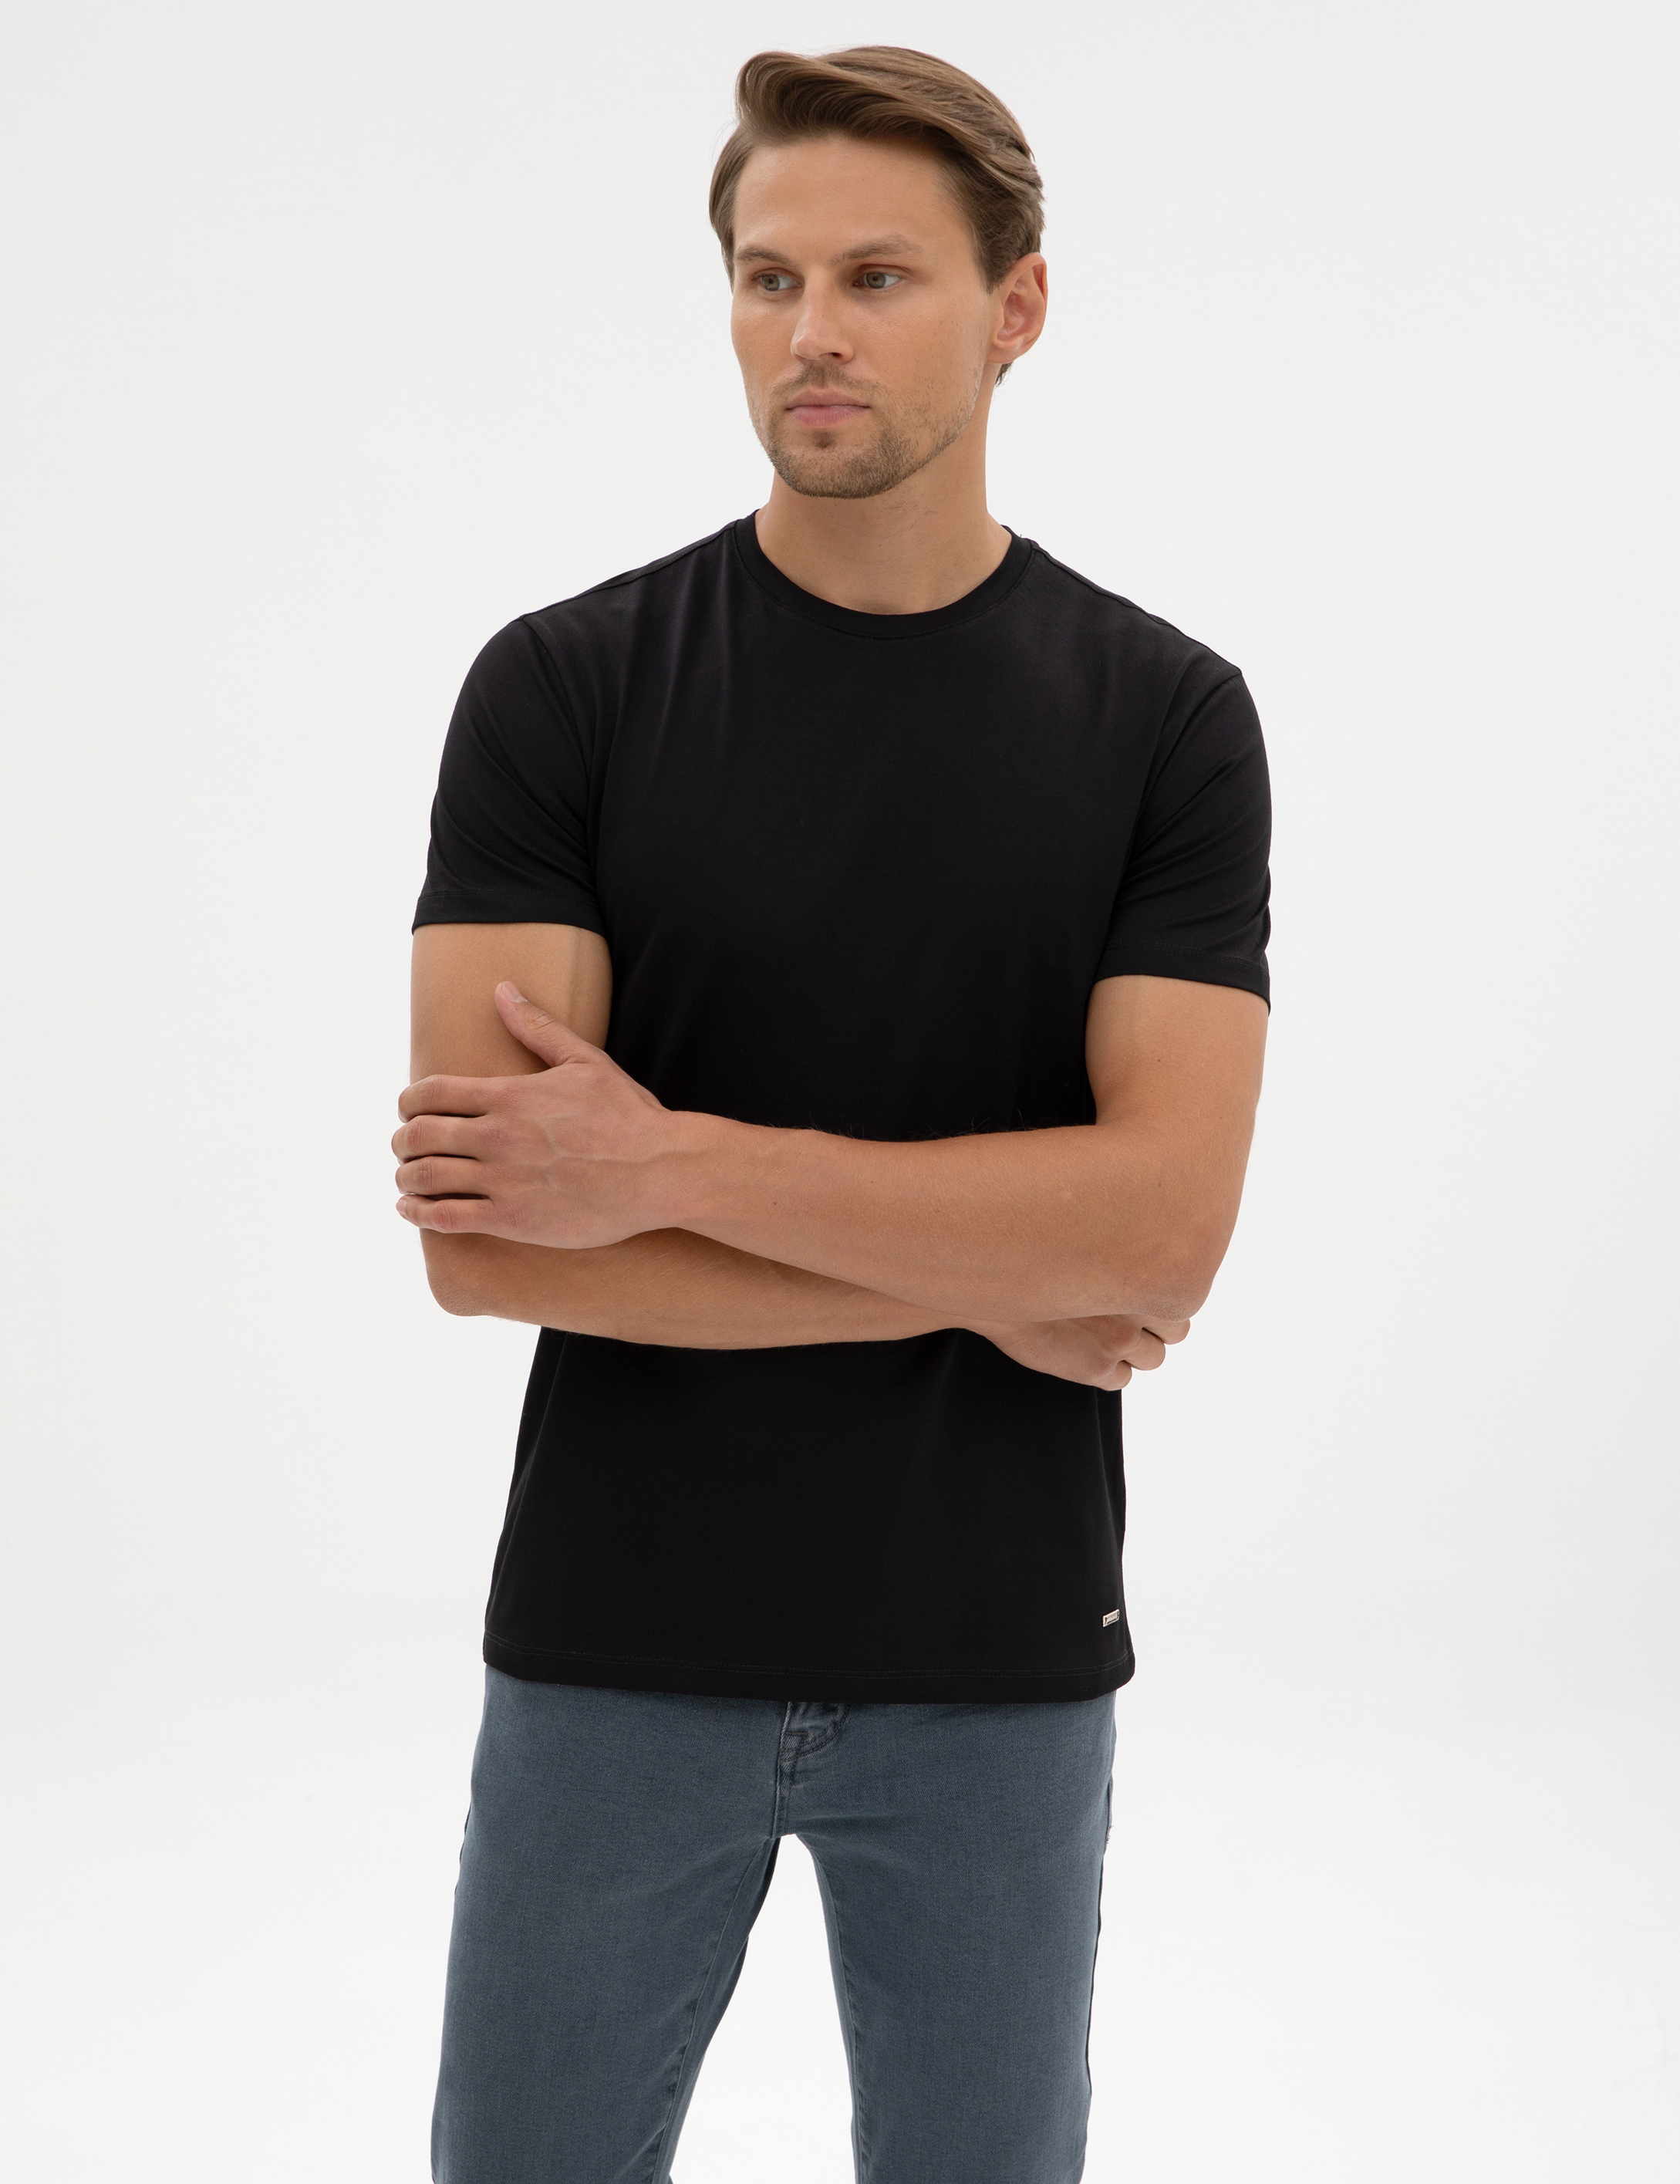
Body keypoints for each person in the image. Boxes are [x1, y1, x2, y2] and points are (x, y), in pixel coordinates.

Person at [397, 44, 1270, 2184]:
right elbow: (492, 1242)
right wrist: (996, 1281)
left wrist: (664, 1167)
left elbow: (1159, 1233)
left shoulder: (1164, 718)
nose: (810, 330)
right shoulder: (565, 689)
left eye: (877, 276)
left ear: (1015, 308)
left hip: (995, 1656)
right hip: (615, 1640)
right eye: (768, 276)